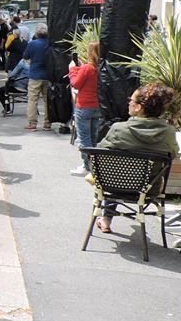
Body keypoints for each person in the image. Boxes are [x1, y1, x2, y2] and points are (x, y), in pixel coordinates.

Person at [94, 84, 179, 233]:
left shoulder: (118, 129)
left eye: (131, 99)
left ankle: (106, 219)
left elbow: (99, 156)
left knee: (115, 170)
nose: (129, 102)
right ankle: (107, 218)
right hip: (148, 189)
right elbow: (171, 155)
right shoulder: (168, 133)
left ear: (139, 107)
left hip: (113, 185)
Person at [68, 42, 100, 176]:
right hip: (97, 106)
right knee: (93, 137)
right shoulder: (101, 68)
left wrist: (73, 70)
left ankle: (87, 166)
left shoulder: (87, 68)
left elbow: (75, 83)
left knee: (84, 138)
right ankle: (94, 165)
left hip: (84, 105)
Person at [22, 23, 51, 131]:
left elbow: (25, 56)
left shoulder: (32, 44)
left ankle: (32, 123)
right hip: (48, 75)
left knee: (32, 100)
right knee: (47, 100)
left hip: (35, 75)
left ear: (37, 33)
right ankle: (47, 123)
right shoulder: (50, 44)